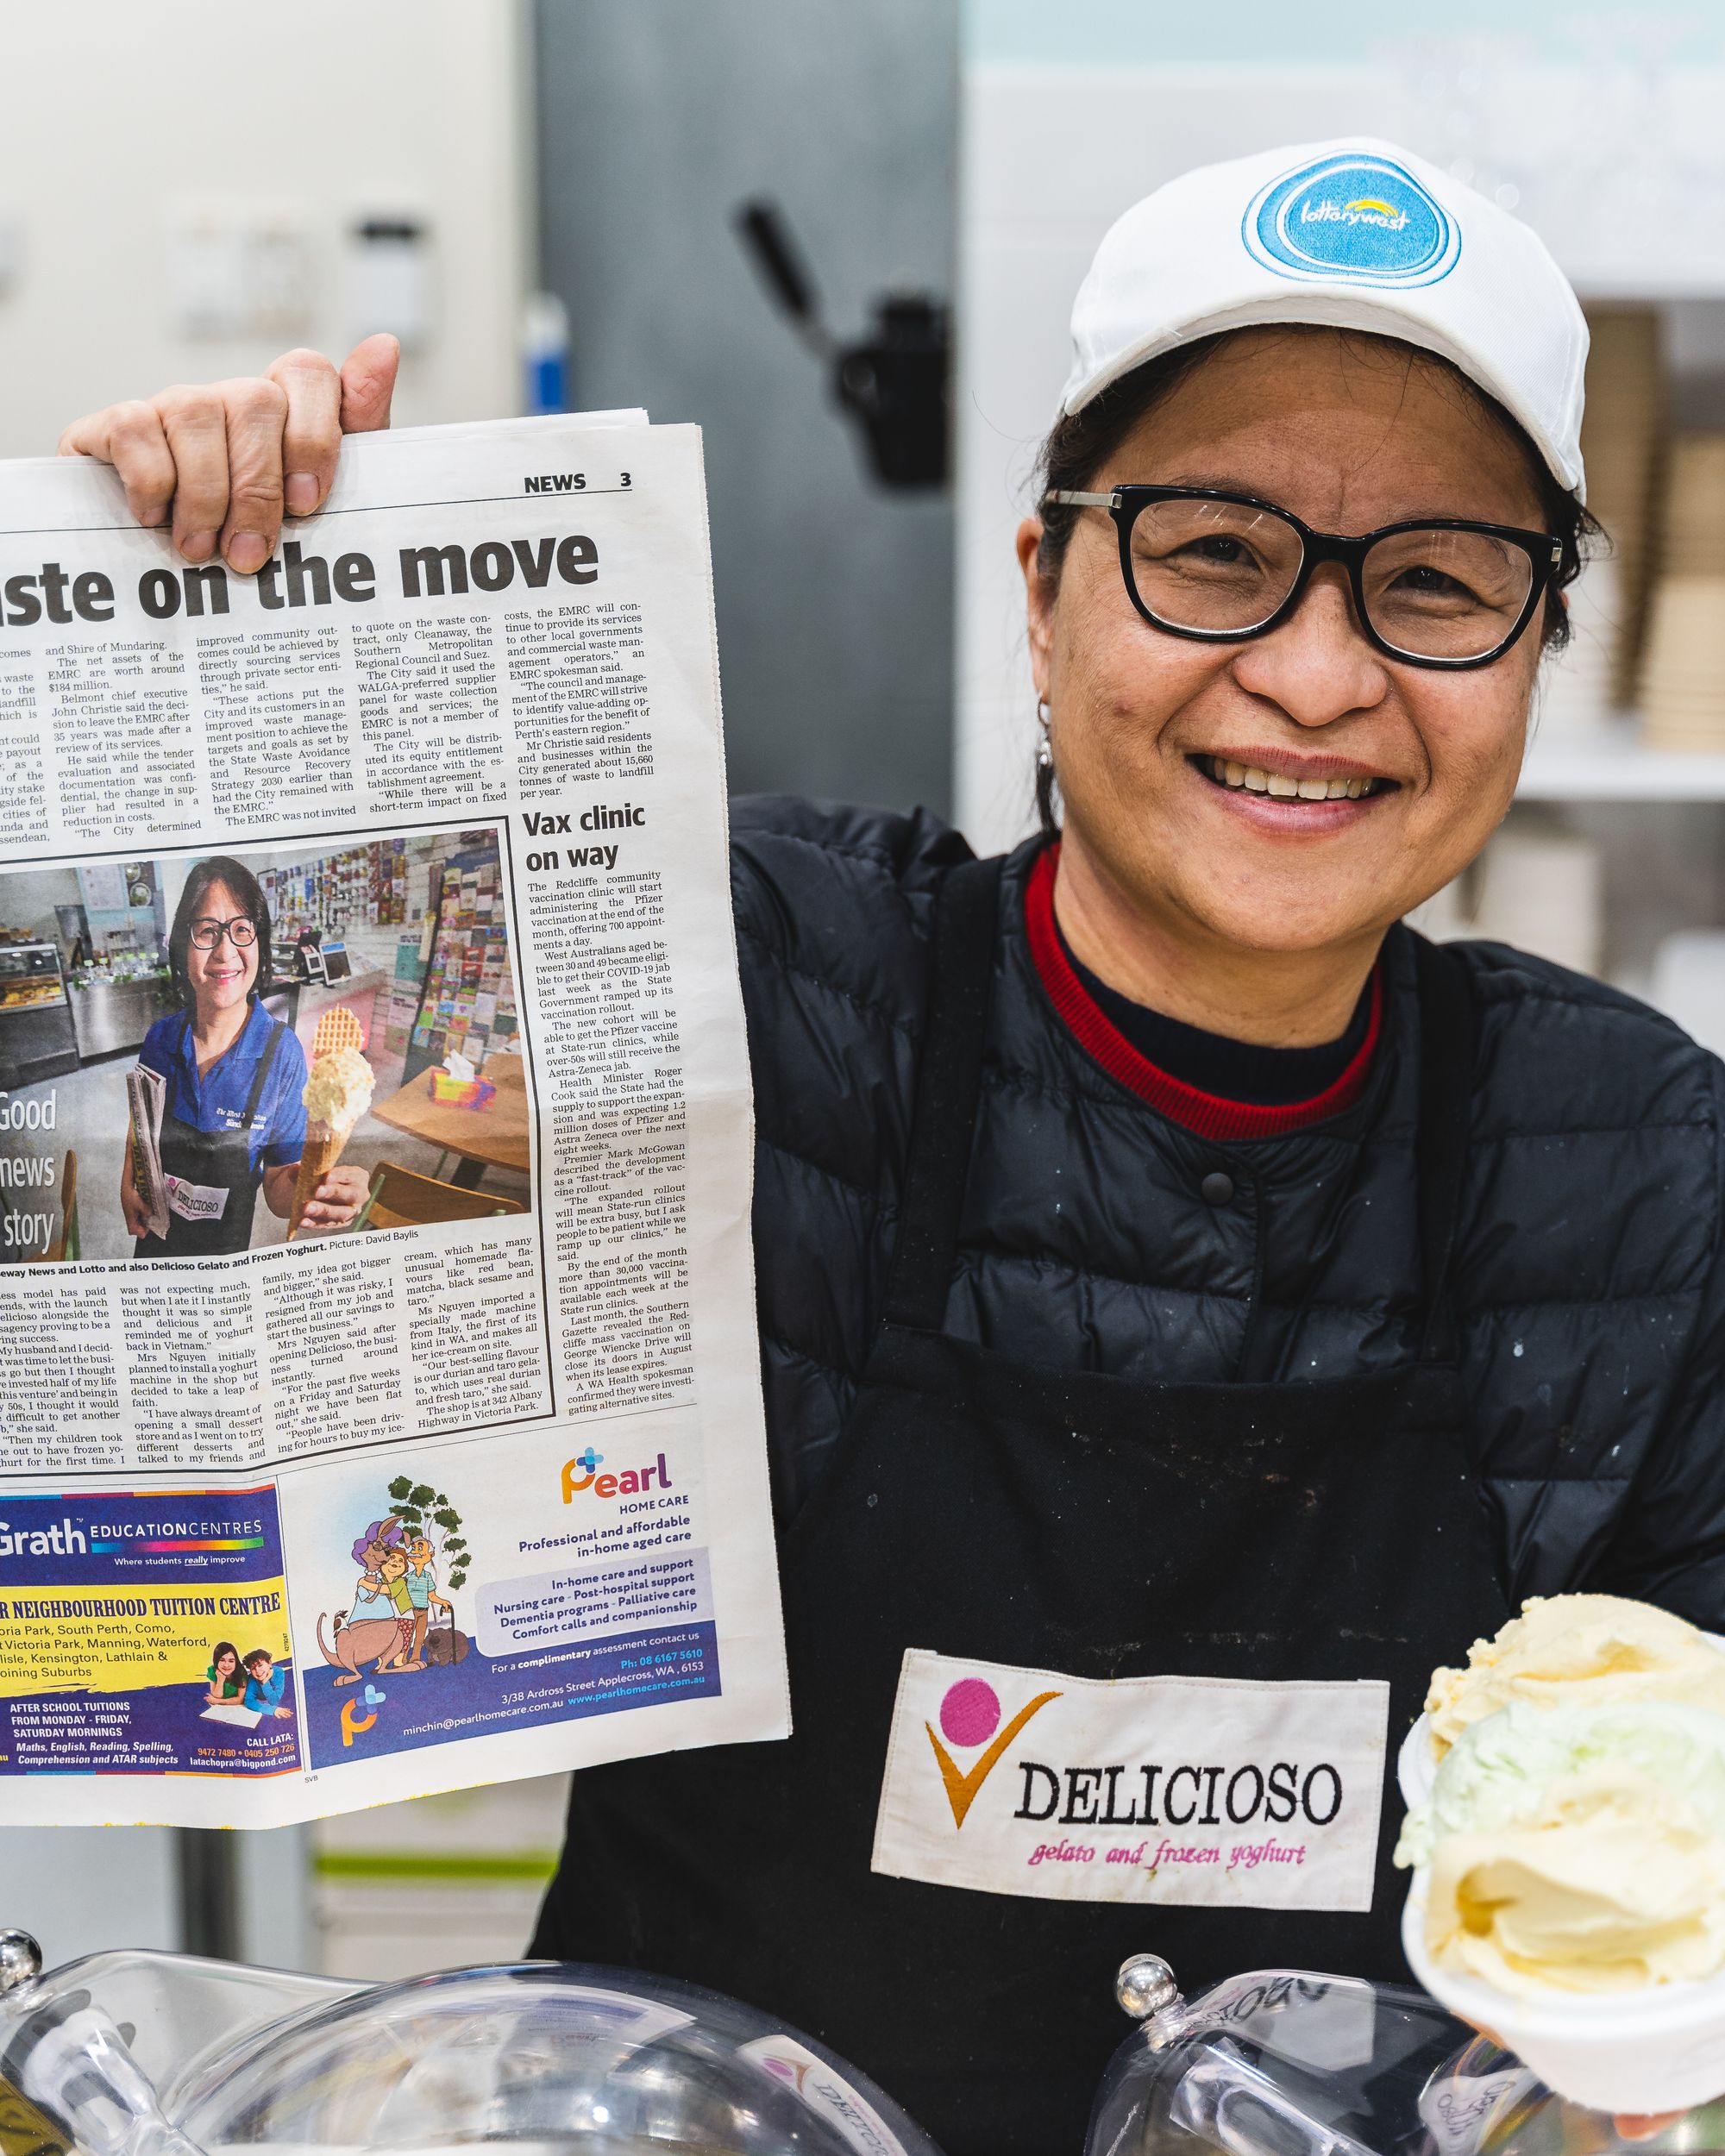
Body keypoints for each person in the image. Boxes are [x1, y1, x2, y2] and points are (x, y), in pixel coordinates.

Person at [63, 140, 1725, 2156]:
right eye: (1211, 550)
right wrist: (221, 643)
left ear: (1531, 650)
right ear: (1040, 589)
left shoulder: (1639, 1170)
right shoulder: (738, 988)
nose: (1311, 670)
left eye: (1435, 582)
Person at [120, 856, 367, 1255]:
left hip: (226, 1256)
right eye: (206, 931)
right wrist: (127, 1181)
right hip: (155, 1239)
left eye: (241, 930)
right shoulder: (160, 1040)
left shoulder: (282, 1054)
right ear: (184, 947)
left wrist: (318, 1184)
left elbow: (278, 1191)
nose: (224, 951)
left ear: (259, 943)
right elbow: (140, 1125)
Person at [241, 1648, 292, 1719]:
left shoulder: (278, 1672)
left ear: (269, 1663)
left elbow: (274, 1701)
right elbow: (249, 1701)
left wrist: (265, 1682)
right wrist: (272, 1710)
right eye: (253, 1668)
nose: (257, 1671)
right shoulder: (252, 1679)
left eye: (260, 1665)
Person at [203, 1642, 242, 1707]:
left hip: (238, 1706)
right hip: (221, 1707)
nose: (226, 1665)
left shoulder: (241, 1672)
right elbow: (216, 1697)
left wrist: (217, 1701)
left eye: (231, 1661)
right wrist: (220, 1680)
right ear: (216, 1661)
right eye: (222, 1660)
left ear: (236, 1662)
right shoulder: (212, 1670)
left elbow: (240, 1699)